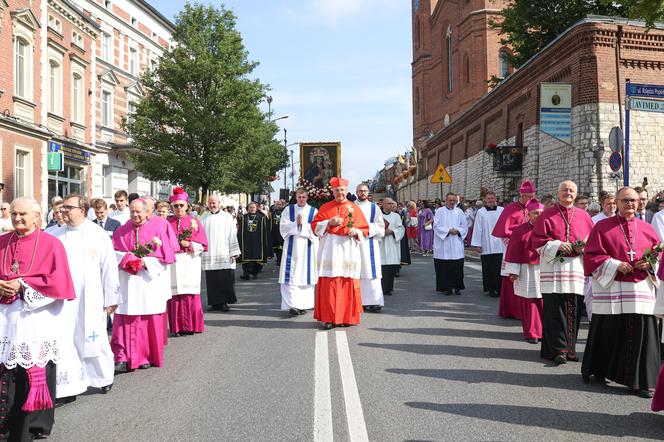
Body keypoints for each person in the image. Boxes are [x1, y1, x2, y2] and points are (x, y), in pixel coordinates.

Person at [0, 197, 75, 440]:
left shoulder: (51, 244)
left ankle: (31, 425)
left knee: (29, 368)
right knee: (6, 368)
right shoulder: (2, 241)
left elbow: (59, 282)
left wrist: (22, 286)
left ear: (36, 216)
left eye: (23, 214)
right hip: (5, 319)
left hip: (36, 318)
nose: (17, 218)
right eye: (14, 214)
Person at [582, 187, 661, 398]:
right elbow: (592, 255)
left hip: (639, 288)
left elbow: (657, 256)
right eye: (625, 200)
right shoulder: (602, 227)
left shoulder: (647, 228)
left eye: (634, 200)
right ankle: (602, 370)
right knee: (610, 330)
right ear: (616, 202)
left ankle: (640, 381)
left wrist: (650, 263)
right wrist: (615, 265)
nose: (631, 204)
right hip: (612, 286)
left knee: (641, 332)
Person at [48, 194, 120, 399]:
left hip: (91, 295)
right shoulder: (53, 234)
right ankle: (69, 384)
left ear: (83, 210)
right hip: (62, 299)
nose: (63, 211)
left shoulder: (97, 234)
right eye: (62, 208)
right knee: (65, 339)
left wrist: (111, 298)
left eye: (68, 207)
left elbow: (109, 268)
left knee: (92, 336)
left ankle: (102, 377)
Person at [531, 180, 594, 365]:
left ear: (576, 194)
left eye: (571, 190)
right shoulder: (547, 215)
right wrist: (558, 244)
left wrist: (584, 247)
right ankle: (556, 350)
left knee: (573, 309)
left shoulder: (584, 216)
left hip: (575, 268)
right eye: (565, 190)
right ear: (558, 194)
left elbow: (592, 241)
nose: (568, 192)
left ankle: (570, 349)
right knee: (554, 309)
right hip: (554, 268)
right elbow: (538, 241)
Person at [111, 199, 176, 372]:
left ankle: (145, 356)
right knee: (126, 317)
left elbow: (165, 259)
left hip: (147, 281)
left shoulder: (158, 228)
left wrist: (145, 262)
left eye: (138, 211)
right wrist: (126, 259)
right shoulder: (122, 230)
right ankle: (121, 357)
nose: (135, 215)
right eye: (132, 211)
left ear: (147, 212)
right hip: (128, 281)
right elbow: (113, 253)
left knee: (146, 319)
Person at [311, 177, 369, 329]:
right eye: (337, 190)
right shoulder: (325, 207)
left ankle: (346, 317)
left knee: (347, 282)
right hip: (330, 249)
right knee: (330, 284)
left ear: (347, 191)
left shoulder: (355, 208)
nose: (340, 193)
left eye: (342, 190)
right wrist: (328, 223)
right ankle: (329, 318)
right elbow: (315, 227)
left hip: (348, 249)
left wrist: (355, 231)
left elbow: (364, 229)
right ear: (333, 191)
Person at [167, 188, 208, 336]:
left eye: (181, 205)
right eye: (175, 206)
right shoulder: (167, 222)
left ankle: (192, 326)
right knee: (175, 295)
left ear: (187, 205)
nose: (178, 208)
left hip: (190, 262)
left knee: (189, 294)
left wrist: (189, 244)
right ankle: (177, 327)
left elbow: (203, 244)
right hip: (174, 263)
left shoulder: (194, 222)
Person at [491, 180, 535, 318]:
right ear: (521, 195)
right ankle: (511, 310)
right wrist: (514, 242)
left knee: (528, 279)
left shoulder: (534, 208)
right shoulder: (510, 208)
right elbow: (503, 231)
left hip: (530, 250)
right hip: (512, 247)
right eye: (526, 196)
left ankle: (526, 311)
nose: (528, 199)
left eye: (531, 196)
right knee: (512, 278)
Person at [504, 199, 545, 344]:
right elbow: (513, 251)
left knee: (544, 302)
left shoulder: (548, 228)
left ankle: (544, 331)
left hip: (545, 270)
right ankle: (532, 332)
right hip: (526, 270)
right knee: (529, 302)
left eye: (541, 213)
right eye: (535, 213)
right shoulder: (520, 230)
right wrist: (513, 271)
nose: (538, 215)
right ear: (528, 214)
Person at [278, 188, 318, 316]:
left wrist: (303, 225)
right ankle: (293, 305)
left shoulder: (313, 211)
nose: (301, 199)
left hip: (307, 248)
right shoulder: (288, 210)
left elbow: (316, 229)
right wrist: (296, 224)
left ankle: (303, 305)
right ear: (296, 197)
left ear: (307, 198)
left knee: (305, 276)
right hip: (291, 246)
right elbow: (283, 227)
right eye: (299, 197)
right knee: (291, 276)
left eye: (304, 197)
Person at [201, 195, 241, 312]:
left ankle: (224, 302)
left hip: (223, 251)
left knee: (224, 278)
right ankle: (214, 303)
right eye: (210, 203)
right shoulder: (203, 217)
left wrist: (233, 252)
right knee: (212, 279)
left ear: (219, 203)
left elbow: (232, 234)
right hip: (209, 253)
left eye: (214, 203)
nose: (212, 205)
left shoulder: (227, 217)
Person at [355, 184, 385, 312]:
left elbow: (380, 225)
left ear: (368, 192)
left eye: (365, 191)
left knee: (372, 272)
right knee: (357, 272)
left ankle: (375, 301)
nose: (363, 193)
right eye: (360, 191)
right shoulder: (351, 206)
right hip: (355, 243)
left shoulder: (374, 208)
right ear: (356, 192)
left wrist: (367, 229)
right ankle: (359, 301)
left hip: (370, 243)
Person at [471, 191, 505, 297]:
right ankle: (490, 288)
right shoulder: (481, 212)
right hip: (486, 244)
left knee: (500, 267)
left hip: (500, 244)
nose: (490, 200)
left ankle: (500, 289)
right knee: (488, 267)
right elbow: (477, 228)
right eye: (488, 198)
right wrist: (478, 244)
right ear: (485, 200)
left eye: (492, 198)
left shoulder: (502, 210)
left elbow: (506, 226)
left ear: (496, 199)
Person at [433, 192, 468, 296]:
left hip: (456, 242)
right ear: (446, 200)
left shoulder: (460, 212)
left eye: (454, 200)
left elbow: (464, 226)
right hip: (444, 243)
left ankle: (457, 287)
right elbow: (436, 226)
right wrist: (448, 231)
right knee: (445, 267)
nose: (452, 202)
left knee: (457, 267)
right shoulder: (439, 211)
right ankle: (447, 287)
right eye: (450, 200)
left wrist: (458, 231)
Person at [238, 202, 271, 280]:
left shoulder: (261, 217)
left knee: (257, 258)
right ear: (248, 208)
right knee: (246, 257)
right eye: (250, 207)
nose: (252, 209)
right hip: (246, 241)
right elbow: (240, 230)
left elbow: (266, 230)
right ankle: (246, 273)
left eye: (253, 207)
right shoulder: (244, 217)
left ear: (256, 208)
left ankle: (254, 273)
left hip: (258, 241)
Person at [380, 198, 404, 297]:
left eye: (392, 203)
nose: (391, 205)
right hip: (380, 244)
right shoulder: (378, 215)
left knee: (390, 268)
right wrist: (381, 232)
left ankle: (388, 289)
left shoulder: (396, 216)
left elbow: (401, 229)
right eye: (389, 203)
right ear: (383, 205)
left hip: (392, 243)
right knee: (382, 268)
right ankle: (381, 289)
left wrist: (392, 231)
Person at [270, 200, 285, 265]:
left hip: (282, 232)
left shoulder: (285, 212)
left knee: (281, 247)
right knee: (275, 247)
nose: (279, 206)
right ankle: (279, 258)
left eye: (280, 204)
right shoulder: (272, 213)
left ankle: (280, 260)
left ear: (282, 205)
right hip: (274, 231)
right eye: (277, 204)